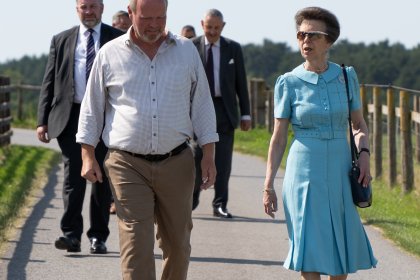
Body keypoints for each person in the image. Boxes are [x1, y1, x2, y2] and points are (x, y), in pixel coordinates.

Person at [75, 0, 218, 278]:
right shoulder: (109, 54)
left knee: (177, 245)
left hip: (176, 161)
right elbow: (91, 108)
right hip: (126, 163)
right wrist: (87, 155)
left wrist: (209, 156)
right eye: (146, 18)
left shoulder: (186, 52)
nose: (154, 25)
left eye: (160, 18)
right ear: (131, 14)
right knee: (136, 244)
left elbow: (201, 105)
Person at [262, 6, 377, 280]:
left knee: (341, 243)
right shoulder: (287, 82)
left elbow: (358, 124)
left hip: (339, 169)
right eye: (301, 35)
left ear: (329, 40)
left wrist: (364, 153)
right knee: (308, 243)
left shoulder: (346, 76)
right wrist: (268, 185)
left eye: (313, 35)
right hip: (303, 170)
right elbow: (278, 139)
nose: (305, 41)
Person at [37, 0, 123, 254]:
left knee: (101, 178)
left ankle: (98, 237)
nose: (89, 11)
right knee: (73, 177)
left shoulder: (117, 38)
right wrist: (42, 120)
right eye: (84, 7)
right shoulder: (61, 39)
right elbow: (49, 80)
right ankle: (71, 234)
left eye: (93, 6)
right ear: (77, 9)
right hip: (70, 117)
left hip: (106, 116)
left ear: (102, 8)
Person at [192, 9, 251, 218]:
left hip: (224, 110)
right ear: (202, 24)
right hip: (197, 110)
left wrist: (246, 114)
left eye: (217, 28)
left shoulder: (233, 49)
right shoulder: (190, 47)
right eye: (209, 27)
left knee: (223, 162)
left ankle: (220, 204)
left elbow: (241, 83)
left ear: (223, 26)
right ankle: (191, 200)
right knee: (196, 157)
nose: (212, 31)